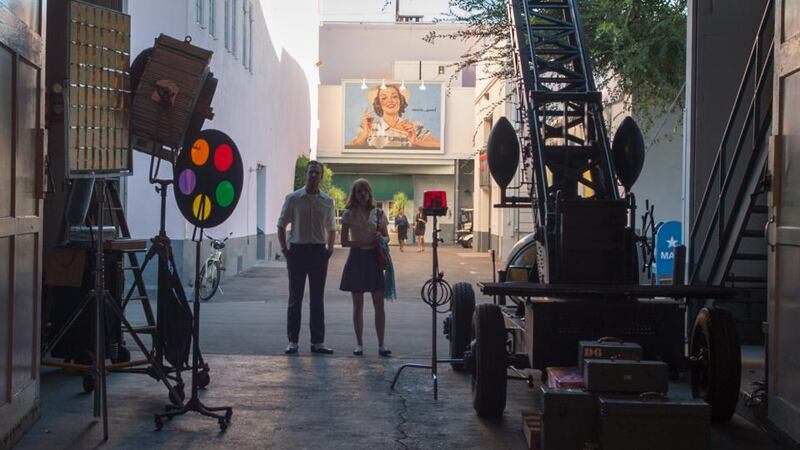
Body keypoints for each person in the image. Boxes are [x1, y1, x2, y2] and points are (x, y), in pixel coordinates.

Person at [277, 161, 336, 355]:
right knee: (295, 298)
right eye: (311, 172)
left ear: (321, 176)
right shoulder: (293, 198)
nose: (313, 175)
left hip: (319, 252)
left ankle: (318, 342)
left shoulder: (327, 201)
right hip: (297, 252)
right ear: (306, 174)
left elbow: (331, 228)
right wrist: (284, 249)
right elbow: (281, 224)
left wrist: (329, 250)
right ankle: (292, 341)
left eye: (317, 173)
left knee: (317, 299)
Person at [339, 179, 392, 357]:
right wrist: (363, 242)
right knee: (358, 305)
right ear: (354, 194)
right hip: (356, 258)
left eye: (365, 190)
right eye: (359, 191)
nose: (362, 194)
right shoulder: (348, 214)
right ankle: (359, 344)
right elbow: (344, 241)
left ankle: (382, 345)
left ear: (369, 193)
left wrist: (381, 238)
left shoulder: (379, 213)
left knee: (379, 305)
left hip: (374, 259)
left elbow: (387, 237)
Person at [350, 84, 440, 149]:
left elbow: (438, 146)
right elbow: (350, 149)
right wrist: (365, 134)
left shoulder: (413, 126)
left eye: (394, 96)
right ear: (378, 103)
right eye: (384, 98)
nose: (390, 101)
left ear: (400, 101)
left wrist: (415, 142)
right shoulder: (368, 126)